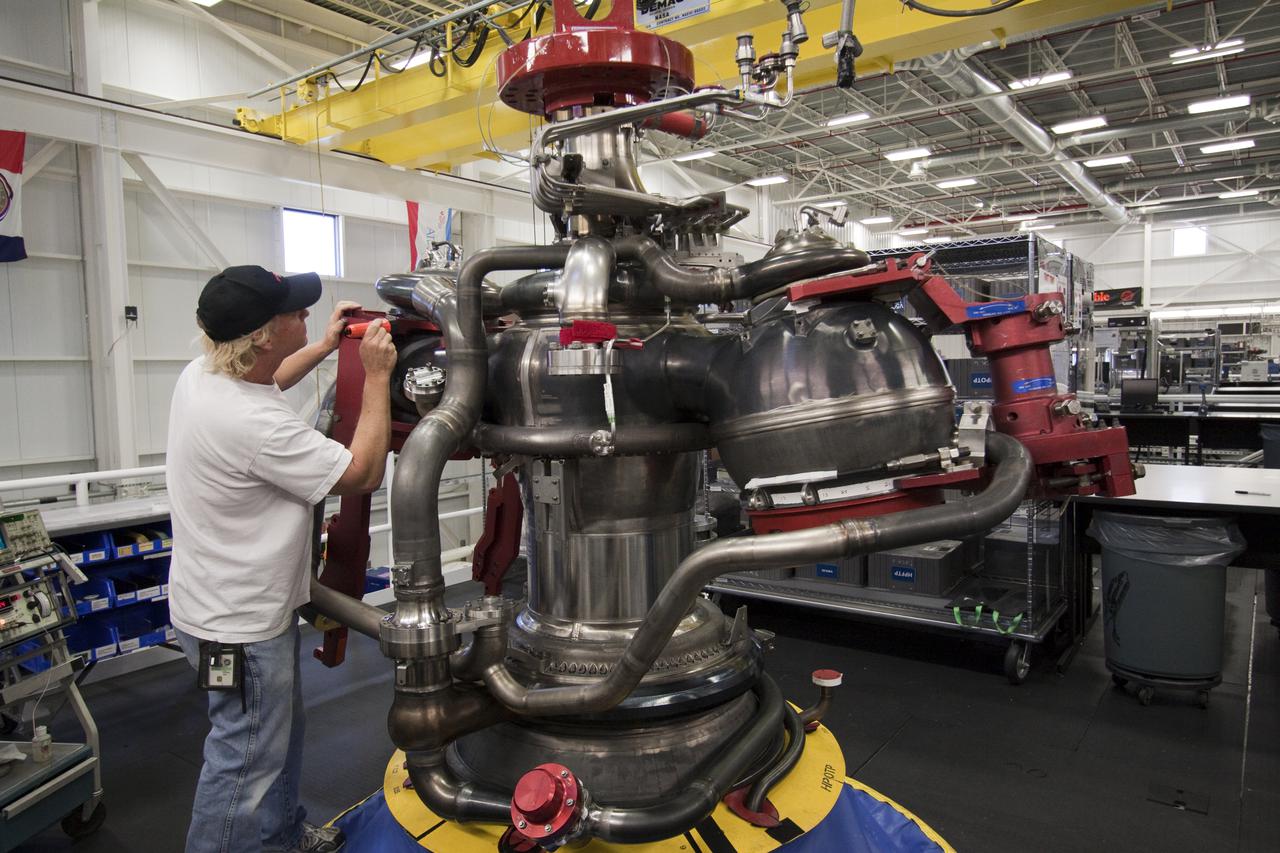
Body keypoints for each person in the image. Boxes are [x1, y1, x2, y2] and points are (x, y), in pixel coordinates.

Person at [166, 265, 397, 853]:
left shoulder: (206, 374)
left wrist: (322, 346)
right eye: (295, 314)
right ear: (264, 334)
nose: (304, 316)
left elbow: (269, 383)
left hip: (216, 606)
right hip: (240, 628)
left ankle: (282, 837)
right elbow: (361, 473)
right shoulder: (251, 425)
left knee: (273, 739)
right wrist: (375, 378)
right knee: (243, 764)